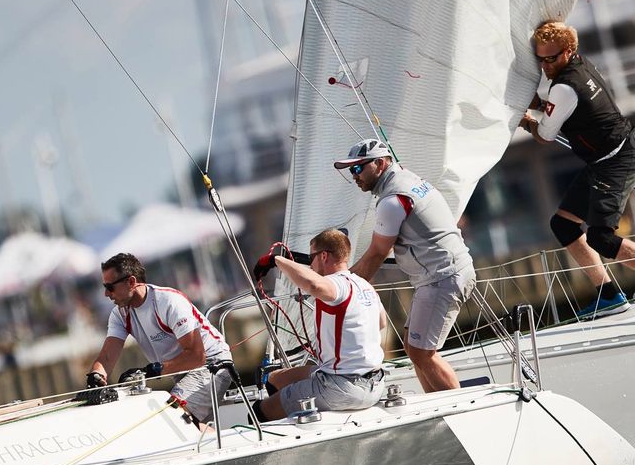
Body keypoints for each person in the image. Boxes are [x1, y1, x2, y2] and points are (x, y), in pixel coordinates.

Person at [519, 20, 635, 323]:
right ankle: (609, 295)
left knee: (601, 238)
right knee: (563, 225)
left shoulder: (564, 88)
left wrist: (525, 120)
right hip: (607, 158)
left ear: (567, 51)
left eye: (551, 58)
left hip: (616, 159)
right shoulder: (579, 65)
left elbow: (544, 136)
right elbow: (552, 100)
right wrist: (536, 105)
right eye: (541, 59)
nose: (545, 65)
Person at [338, 138, 475, 393]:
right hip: (442, 274)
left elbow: (377, 253)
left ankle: (460, 406)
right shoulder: (408, 178)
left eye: (358, 168)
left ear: (380, 163)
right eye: (351, 170)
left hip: (442, 277)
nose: (354, 176)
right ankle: (435, 403)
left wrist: (341, 288)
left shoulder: (392, 200)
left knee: (423, 353)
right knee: (414, 350)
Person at [252, 229, 387, 420]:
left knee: (259, 411)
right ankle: (289, 409)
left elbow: (315, 285)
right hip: (374, 383)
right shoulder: (365, 286)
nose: (311, 264)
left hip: (341, 387)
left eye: (311, 258)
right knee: (276, 379)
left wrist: (276, 260)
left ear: (324, 256)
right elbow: (381, 323)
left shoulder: (336, 284)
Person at [86, 253, 233, 428]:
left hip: (213, 365)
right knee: (172, 422)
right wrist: (96, 375)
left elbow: (196, 356)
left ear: (131, 282)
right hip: (181, 372)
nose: (106, 293)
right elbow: (107, 357)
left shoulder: (168, 302)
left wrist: (151, 371)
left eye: (110, 287)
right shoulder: (120, 314)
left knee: (171, 418)